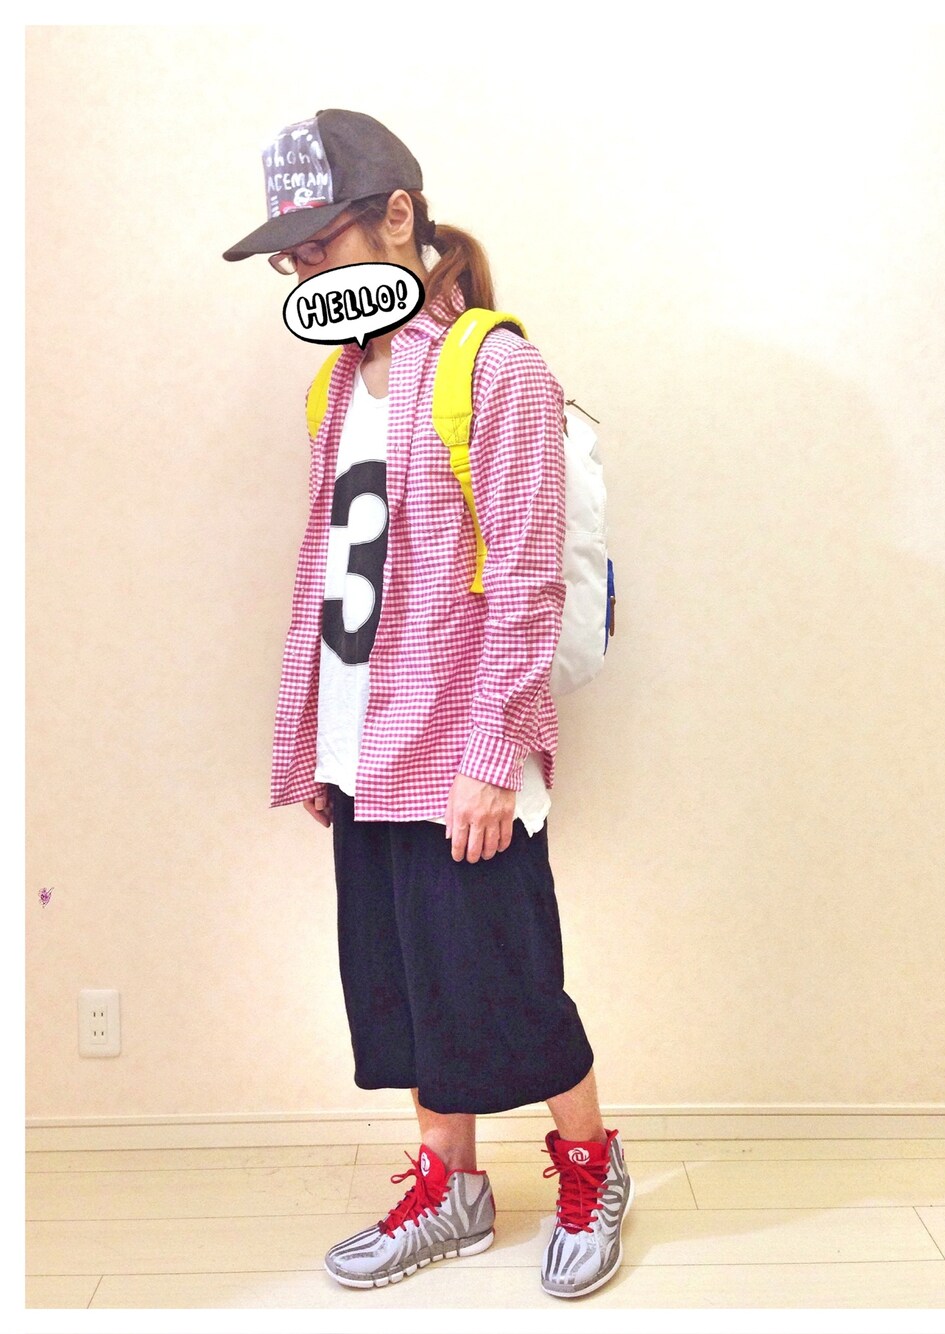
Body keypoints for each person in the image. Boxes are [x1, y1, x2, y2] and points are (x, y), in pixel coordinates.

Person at [223, 108, 631, 1299]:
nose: (306, 270)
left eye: (321, 241)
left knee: (504, 973)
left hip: (461, 741)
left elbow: (526, 572)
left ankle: (592, 1161)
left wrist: (494, 754)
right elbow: (329, 572)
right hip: (365, 739)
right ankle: (450, 1184)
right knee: (401, 979)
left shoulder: (494, 366)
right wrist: (314, 737)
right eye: (291, 256)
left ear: (398, 216)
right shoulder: (334, 386)